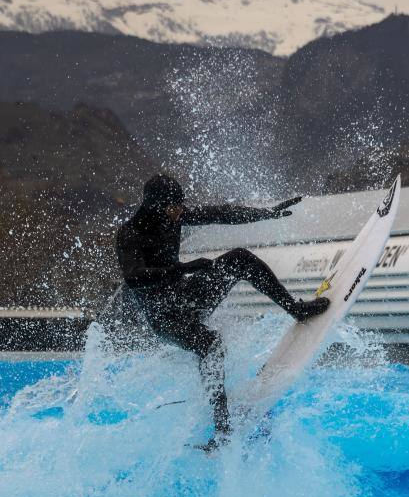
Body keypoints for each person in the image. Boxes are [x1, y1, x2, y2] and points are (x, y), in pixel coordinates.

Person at [116, 174, 329, 450]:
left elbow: (220, 214)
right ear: (155, 205)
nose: (179, 212)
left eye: (181, 206)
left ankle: (295, 309)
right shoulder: (130, 233)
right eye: (173, 207)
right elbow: (133, 277)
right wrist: (184, 269)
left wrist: (265, 214)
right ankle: (222, 430)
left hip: (187, 298)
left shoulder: (173, 217)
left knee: (239, 258)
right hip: (165, 318)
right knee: (210, 344)